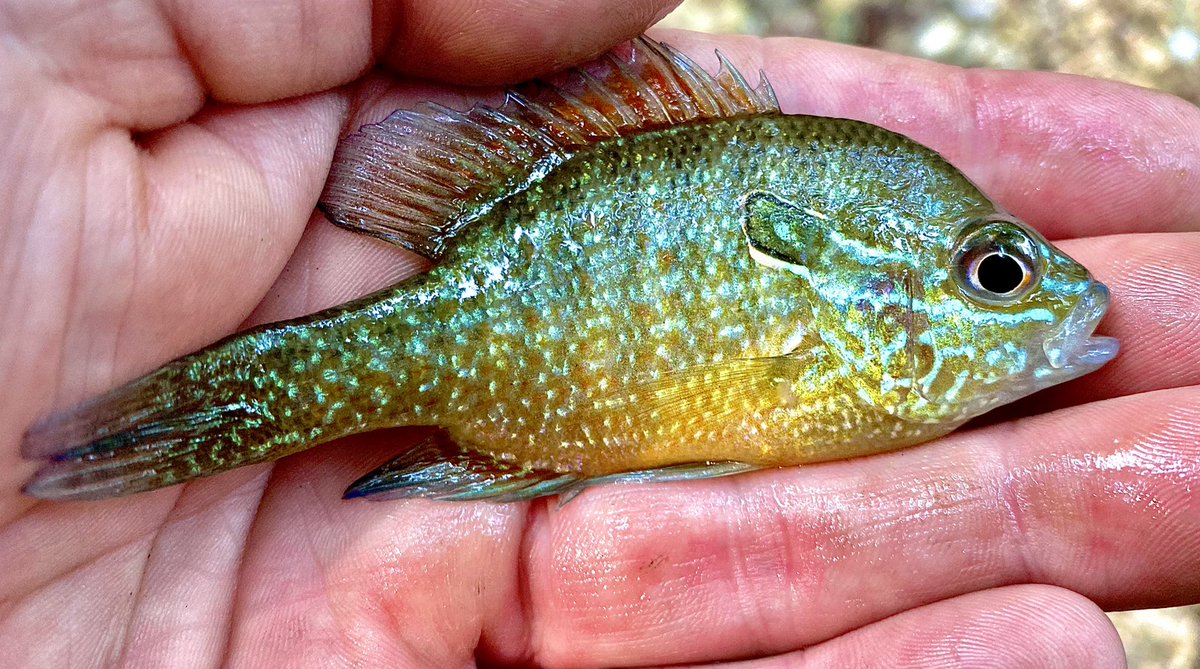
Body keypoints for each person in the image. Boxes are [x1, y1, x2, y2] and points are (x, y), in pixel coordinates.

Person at [1, 1, 1198, 666]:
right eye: (995, 274)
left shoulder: (884, 286)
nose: (1055, 308)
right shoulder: (883, 230)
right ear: (876, 283)